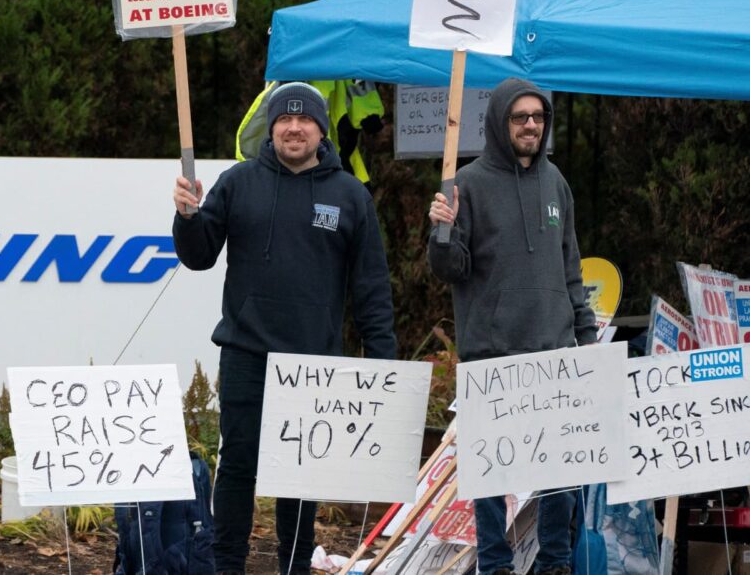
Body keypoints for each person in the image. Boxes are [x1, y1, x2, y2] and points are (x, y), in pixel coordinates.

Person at [172, 81, 398, 575]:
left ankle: (294, 566)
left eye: (305, 120)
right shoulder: (238, 182)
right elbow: (197, 257)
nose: (294, 128)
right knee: (237, 466)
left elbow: (371, 290)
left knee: (302, 473)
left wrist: (384, 366)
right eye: (283, 120)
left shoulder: (350, 196)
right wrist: (187, 216)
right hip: (246, 353)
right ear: (271, 128)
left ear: (321, 129)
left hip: (313, 363)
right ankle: (227, 564)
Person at [427, 77, 597, 575]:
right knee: (489, 470)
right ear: (500, 122)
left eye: (537, 117)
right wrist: (441, 232)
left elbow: (572, 268)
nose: (529, 125)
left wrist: (585, 338)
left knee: (559, 471)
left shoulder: (557, 183)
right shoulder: (467, 184)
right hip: (491, 353)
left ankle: (555, 562)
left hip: (554, 351)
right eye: (519, 117)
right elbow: (450, 268)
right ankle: (495, 564)